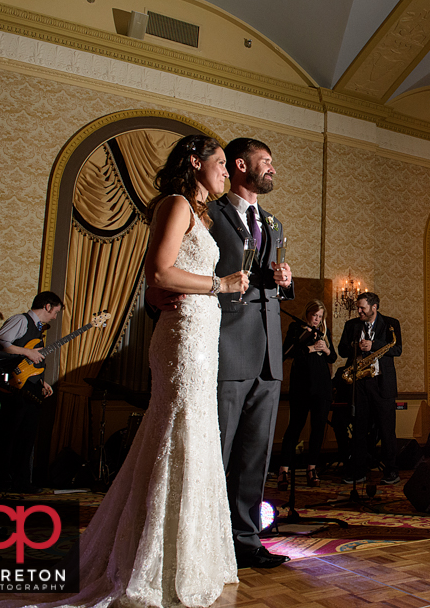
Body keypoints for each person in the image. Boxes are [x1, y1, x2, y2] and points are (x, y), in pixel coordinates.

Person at [0, 135, 249, 608]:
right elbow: (159, 274)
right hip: (183, 337)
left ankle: (189, 555)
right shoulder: (175, 204)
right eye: (220, 164)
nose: (227, 173)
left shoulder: (201, 213)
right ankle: (152, 560)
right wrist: (221, 283)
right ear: (195, 162)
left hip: (202, 335)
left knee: (192, 433)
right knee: (178, 431)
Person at [149, 137, 293, 569]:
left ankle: (246, 540)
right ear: (238, 164)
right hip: (224, 341)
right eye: (263, 161)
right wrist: (158, 298)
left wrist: (286, 281)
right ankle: (208, 539)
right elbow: (170, 266)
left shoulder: (272, 222)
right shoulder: (208, 212)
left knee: (255, 454)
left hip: (269, 347)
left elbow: (272, 283)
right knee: (218, 448)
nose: (271, 168)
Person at [0, 291, 63, 493]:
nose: (55, 317)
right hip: (13, 387)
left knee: (26, 437)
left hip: (30, 387)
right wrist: (27, 351)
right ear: (48, 306)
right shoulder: (20, 320)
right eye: (55, 312)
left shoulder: (38, 329)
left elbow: (29, 363)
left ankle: (21, 483)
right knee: (9, 435)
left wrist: (41, 381)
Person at [337, 292, 402, 484]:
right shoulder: (352, 325)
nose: (359, 311)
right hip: (360, 384)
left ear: (374, 307)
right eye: (358, 307)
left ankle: (391, 471)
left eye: (362, 308)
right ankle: (358, 471)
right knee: (359, 429)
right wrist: (356, 346)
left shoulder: (391, 324)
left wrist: (374, 345)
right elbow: (341, 350)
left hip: (382, 384)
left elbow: (397, 349)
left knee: (387, 430)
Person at [278, 299, 336, 488]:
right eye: (314, 316)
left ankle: (312, 469)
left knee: (318, 428)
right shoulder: (297, 328)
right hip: (301, 385)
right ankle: (283, 471)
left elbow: (333, 357)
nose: (317, 319)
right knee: (295, 427)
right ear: (307, 314)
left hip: (322, 387)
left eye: (320, 317)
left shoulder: (324, 332)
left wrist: (325, 349)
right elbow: (287, 352)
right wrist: (309, 348)